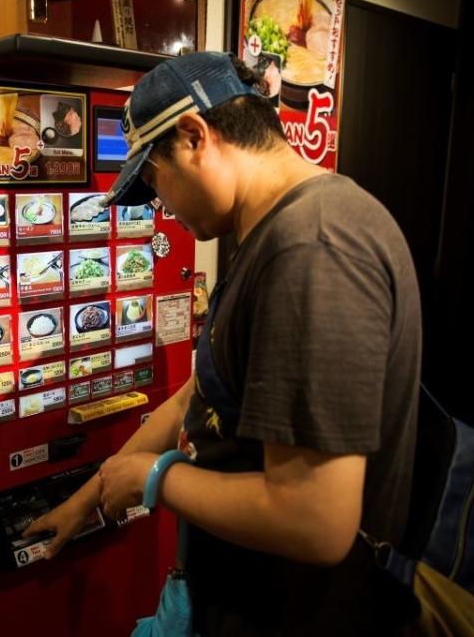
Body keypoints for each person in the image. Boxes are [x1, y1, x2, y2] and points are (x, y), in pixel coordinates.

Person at [23, 51, 422, 635]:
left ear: (194, 136)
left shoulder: (313, 248)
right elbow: (198, 394)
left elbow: (317, 521)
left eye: (155, 181)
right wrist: (94, 491)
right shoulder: (276, 228)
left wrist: (153, 478)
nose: (162, 206)